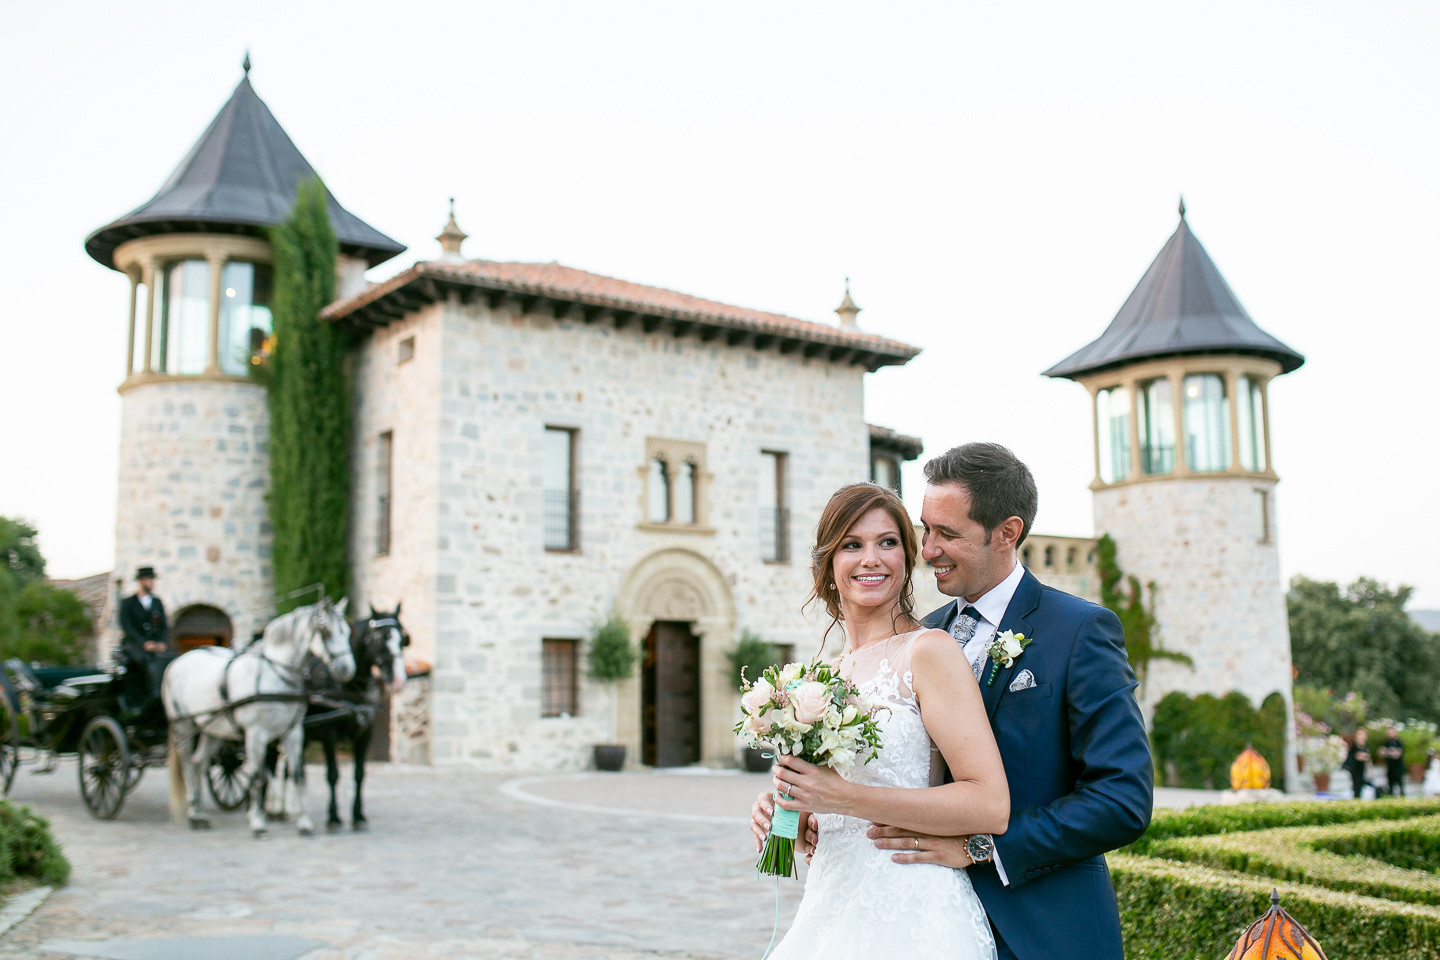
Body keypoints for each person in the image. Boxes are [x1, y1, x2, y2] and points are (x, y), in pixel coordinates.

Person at [752, 443, 1153, 960]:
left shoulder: (1078, 631)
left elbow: (1122, 800)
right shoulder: (919, 637)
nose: (929, 549)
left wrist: (980, 848)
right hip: (909, 911)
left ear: (1007, 533)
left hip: (1043, 927)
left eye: (948, 534)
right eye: (925, 530)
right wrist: (801, 808)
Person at [758, 482, 1010, 959]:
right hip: (829, 907)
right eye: (852, 545)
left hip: (911, 910)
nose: (870, 558)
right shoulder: (824, 677)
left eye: (887, 543)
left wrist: (846, 798)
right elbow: (821, 817)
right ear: (829, 565)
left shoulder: (929, 651)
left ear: (906, 557)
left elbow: (990, 803)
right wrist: (787, 817)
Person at [118, 566, 172, 713]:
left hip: (155, 645)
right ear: (141, 581)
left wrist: (162, 642)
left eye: (152, 580)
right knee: (143, 660)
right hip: (135, 645)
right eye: (148, 579)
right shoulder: (128, 603)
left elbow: (164, 626)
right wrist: (143, 643)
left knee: (169, 659)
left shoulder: (157, 602)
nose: (151, 583)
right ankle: (143, 699)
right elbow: (128, 627)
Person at [1343, 729, 1373, 799]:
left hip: (1361, 769)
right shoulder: (1354, 746)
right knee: (1356, 786)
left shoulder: (1364, 747)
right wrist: (1365, 756)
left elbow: (1368, 759)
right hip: (1354, 769)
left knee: (1360, 786)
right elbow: (1358, 756)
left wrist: (1370, 771)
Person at [1379, 726, 1405, 797]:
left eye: (1391, 733)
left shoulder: (1399, 743)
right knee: (1390, 787)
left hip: (1398, 768)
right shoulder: (1386, 743)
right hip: (1390, 768)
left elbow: (1397, 755)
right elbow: (1380, 753)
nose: (1390, 735)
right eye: (1389, 733)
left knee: (1400, 786)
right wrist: (1391, 751)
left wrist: (1387, 752)